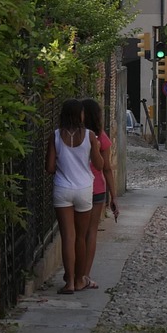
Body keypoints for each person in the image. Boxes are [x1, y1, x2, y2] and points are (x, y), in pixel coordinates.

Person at [45, 98, 104, 294]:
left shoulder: (55, 136)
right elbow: (99, 164)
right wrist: (94, 148)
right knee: (81, 237)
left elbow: (50, 167)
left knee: (67, 237)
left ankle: (69, 282)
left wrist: (63, 168)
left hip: (62, 189)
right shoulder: (89, 136)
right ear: (80, 115)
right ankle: (80, 280)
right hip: (84, 190)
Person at [78, 97, 119, 292]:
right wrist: (114, 197)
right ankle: (85, 275)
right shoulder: (100, 136)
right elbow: (107, 169)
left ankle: (74, 275)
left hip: (76, 188)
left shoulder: (72, 136)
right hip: (97, 190)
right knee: (90, 233)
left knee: (76, 234)